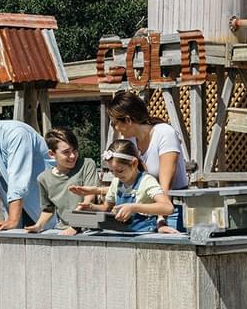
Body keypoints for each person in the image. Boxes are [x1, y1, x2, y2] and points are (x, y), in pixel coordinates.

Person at [105, 90, 187, 231]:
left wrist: (161, 221)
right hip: (145, 211)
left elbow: (165, 188)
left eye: (114, 124)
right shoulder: (130, 140)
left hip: (173, 211)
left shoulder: (164, 133)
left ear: (128, 120)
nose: (115, 129)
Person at [75, 139, 174, 233]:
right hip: (121, 234)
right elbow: (106, 208)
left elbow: (168, 207)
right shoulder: (116, 182)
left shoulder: (146, 181)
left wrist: (134, 208)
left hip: (144, 234)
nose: (116, 175)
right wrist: (91, 207)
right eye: (112, 171)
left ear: (134, 163)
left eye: (120, 171)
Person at [25, 128, 98, 235]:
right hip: (63, 229)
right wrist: (38, 225)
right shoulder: (43, 178)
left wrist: (75, 226)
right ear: (51, 154)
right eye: (66, 152)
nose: (72, 156)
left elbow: (89, 199)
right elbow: (48, 209)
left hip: (89, 229)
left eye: (74, 150)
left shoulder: (87, 164)